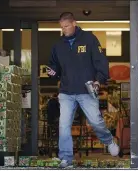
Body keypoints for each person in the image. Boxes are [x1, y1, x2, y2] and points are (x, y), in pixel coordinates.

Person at [47, 12, 119, 168]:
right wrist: (52, 71)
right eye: (62, 27)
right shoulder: (58, 45)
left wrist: (99, 80)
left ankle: (108, 140)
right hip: (66, 91)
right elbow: (54, 65)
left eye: (66, 26)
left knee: (95, 121)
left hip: (86, 90)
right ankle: (66, 158)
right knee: (63, 125)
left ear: (74, 23)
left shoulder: (89, 39)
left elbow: (101, 61)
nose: (64, 29)